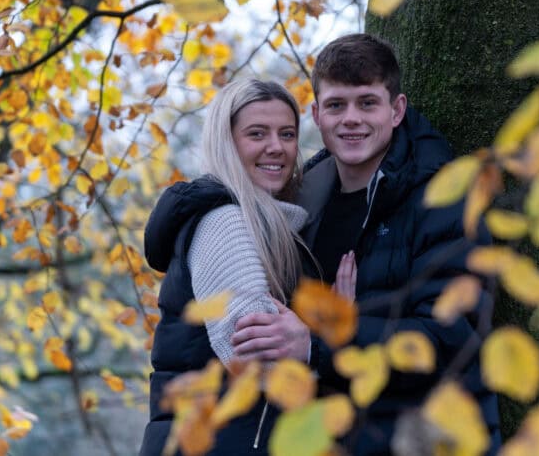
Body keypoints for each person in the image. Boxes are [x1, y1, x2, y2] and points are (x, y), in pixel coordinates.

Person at [232, 34, 501, 455]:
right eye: (337, 105)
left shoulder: (442, 198)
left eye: (367, 103)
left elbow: (453, 340)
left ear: (396, 110)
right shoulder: (300, 208)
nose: (351, 118)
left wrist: (322, 342)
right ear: (317, 115)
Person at [138, 79, 354, 456]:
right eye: (257, 133)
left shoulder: (272, 227)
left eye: (287, 134)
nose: (277, 147)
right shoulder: (226, 223)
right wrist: (335, 330)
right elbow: (257, 362)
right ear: (227, 142)